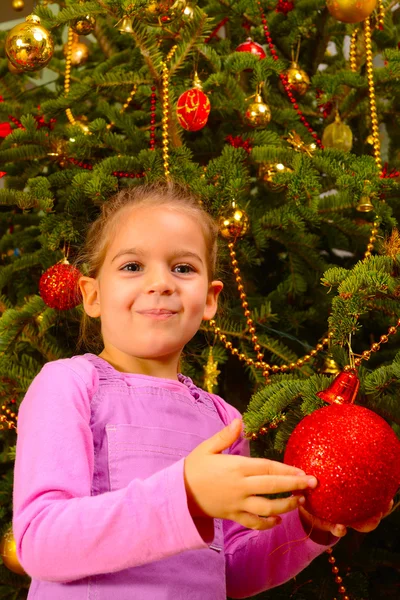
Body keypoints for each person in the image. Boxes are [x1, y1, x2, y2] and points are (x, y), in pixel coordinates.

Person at [13, 181, 391, 600]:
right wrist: (185, 493)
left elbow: (232, 568)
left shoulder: (222, 420)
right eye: (133, 266)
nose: (160, 283)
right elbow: (42, 542)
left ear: (209, 300)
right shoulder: (69, 385)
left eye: (183, 268)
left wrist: (309, 523)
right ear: (92, 294)